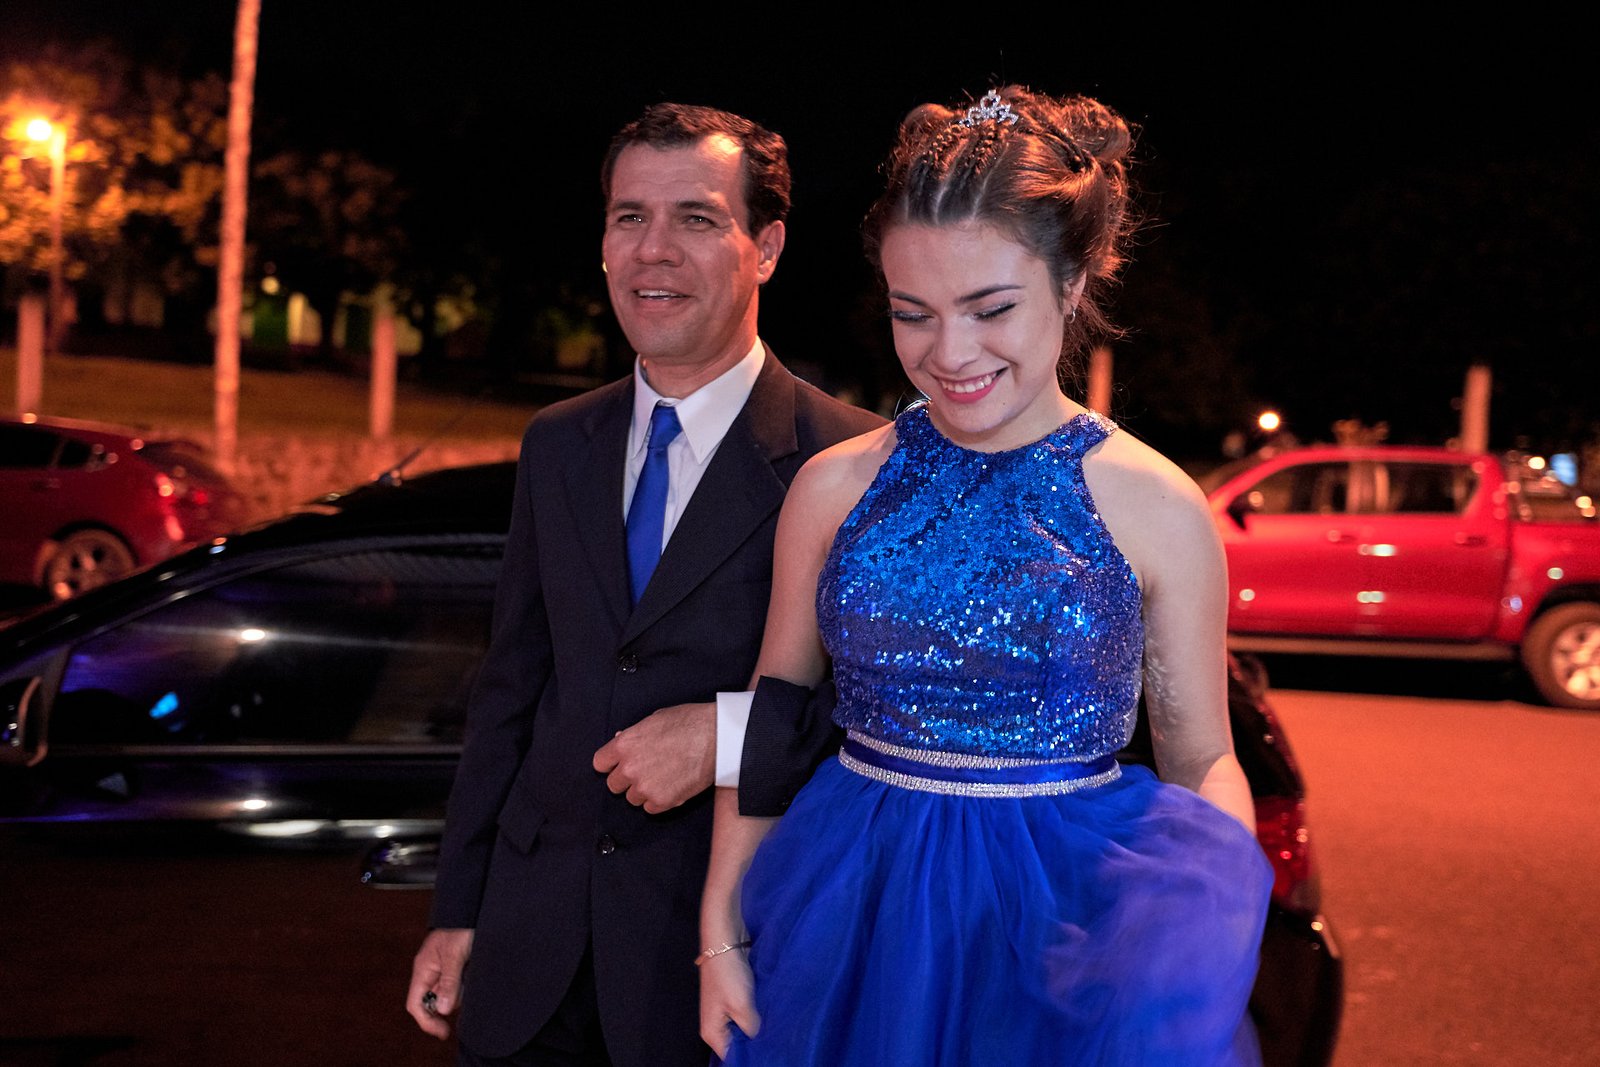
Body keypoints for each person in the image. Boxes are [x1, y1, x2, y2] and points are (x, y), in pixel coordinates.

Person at [698, 87, 1275, 1065]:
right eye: (912, 314)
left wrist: (1200, 944)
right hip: (853, 912)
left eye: (990, 307)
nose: (950, 352)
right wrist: (720, 924)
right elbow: (774, 710)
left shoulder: (1158, 505)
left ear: (1073, 280)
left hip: (1065, 928)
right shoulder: (834, 487)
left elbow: (1201, 757)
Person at [406, 103, 884, 1067]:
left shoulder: (854, 460)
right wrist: (459, 910)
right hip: (528, 960)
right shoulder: (556, 443)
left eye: (696, 218)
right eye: (630, 217)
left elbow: (894, 716)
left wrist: (725, 735)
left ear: (767, 248)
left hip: (720, 964)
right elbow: (511, 689)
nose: (652, 250)